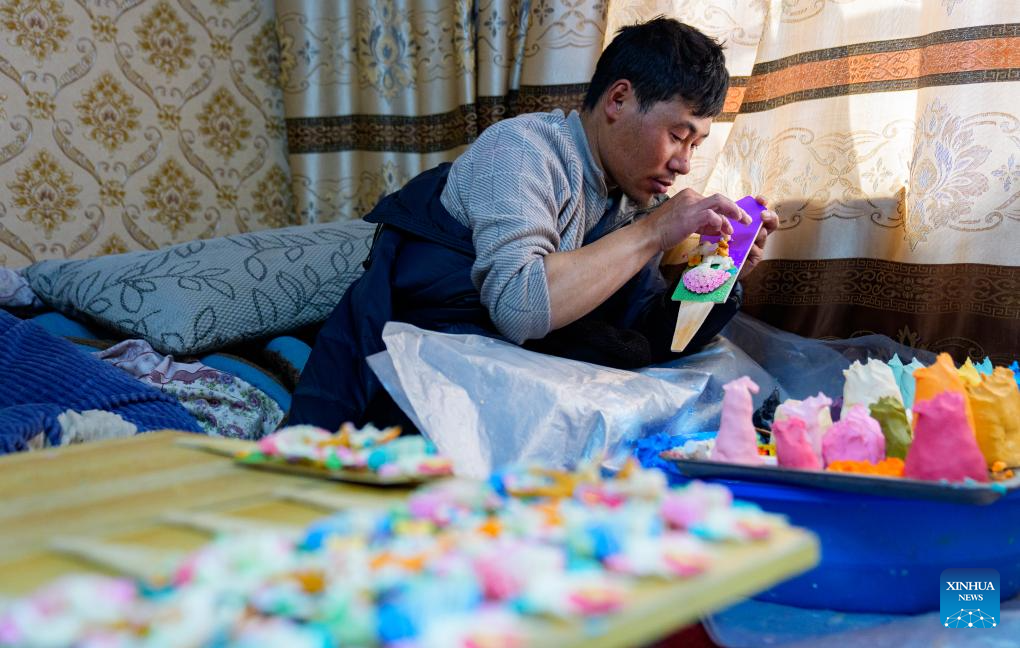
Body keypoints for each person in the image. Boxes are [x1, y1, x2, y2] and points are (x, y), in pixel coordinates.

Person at [289, 17, 778, 432]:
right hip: (425, 383)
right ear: (619, 99)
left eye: (695, 145)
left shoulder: (627, 200)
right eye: (677, 136)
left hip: (507, 386)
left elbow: (650, 333)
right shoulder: (522, 151)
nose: (684, 164)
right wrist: (653, 233)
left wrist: (720, 270)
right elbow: (519, 308)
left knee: (722, 393)